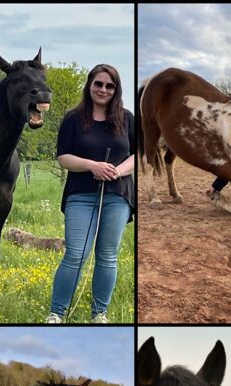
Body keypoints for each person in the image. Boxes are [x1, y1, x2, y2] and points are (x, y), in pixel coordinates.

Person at [45, 64, 134, 324]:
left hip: (117, 196)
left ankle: (100, 314)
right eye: (98, 84)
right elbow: (63, 157)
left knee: (107, 256)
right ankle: (56, 313)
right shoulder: (73, 119)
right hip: (80, 195)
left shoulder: (127, 119)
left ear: (116, 90)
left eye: (109, 85)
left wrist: (117, 171)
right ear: (89, 85)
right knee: (75, 254)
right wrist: (92, 166)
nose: (103, 90)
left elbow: (138, 156)